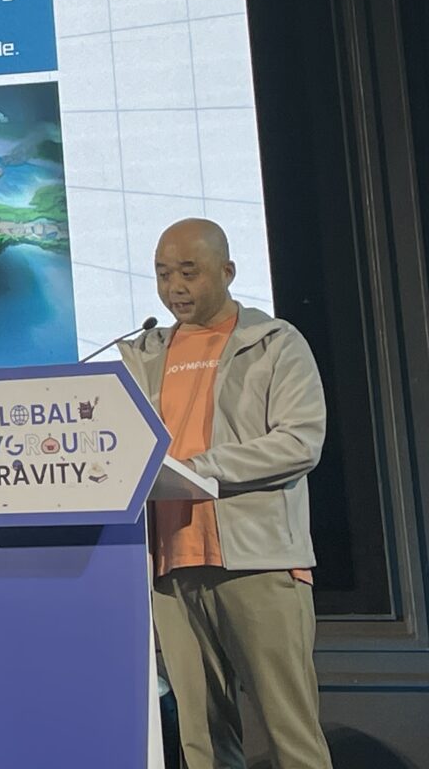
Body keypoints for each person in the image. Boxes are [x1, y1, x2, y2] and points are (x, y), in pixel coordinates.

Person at [121, 218, 331, 768]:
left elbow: (299, 441)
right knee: (203, 743)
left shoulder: (274, 344)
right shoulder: (142, 354)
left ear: (227, 271)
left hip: (258, 562)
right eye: (163, 274)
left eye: (188, 272)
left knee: (290, 735)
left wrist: (200, 469)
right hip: (171, 567)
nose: (174, 288)